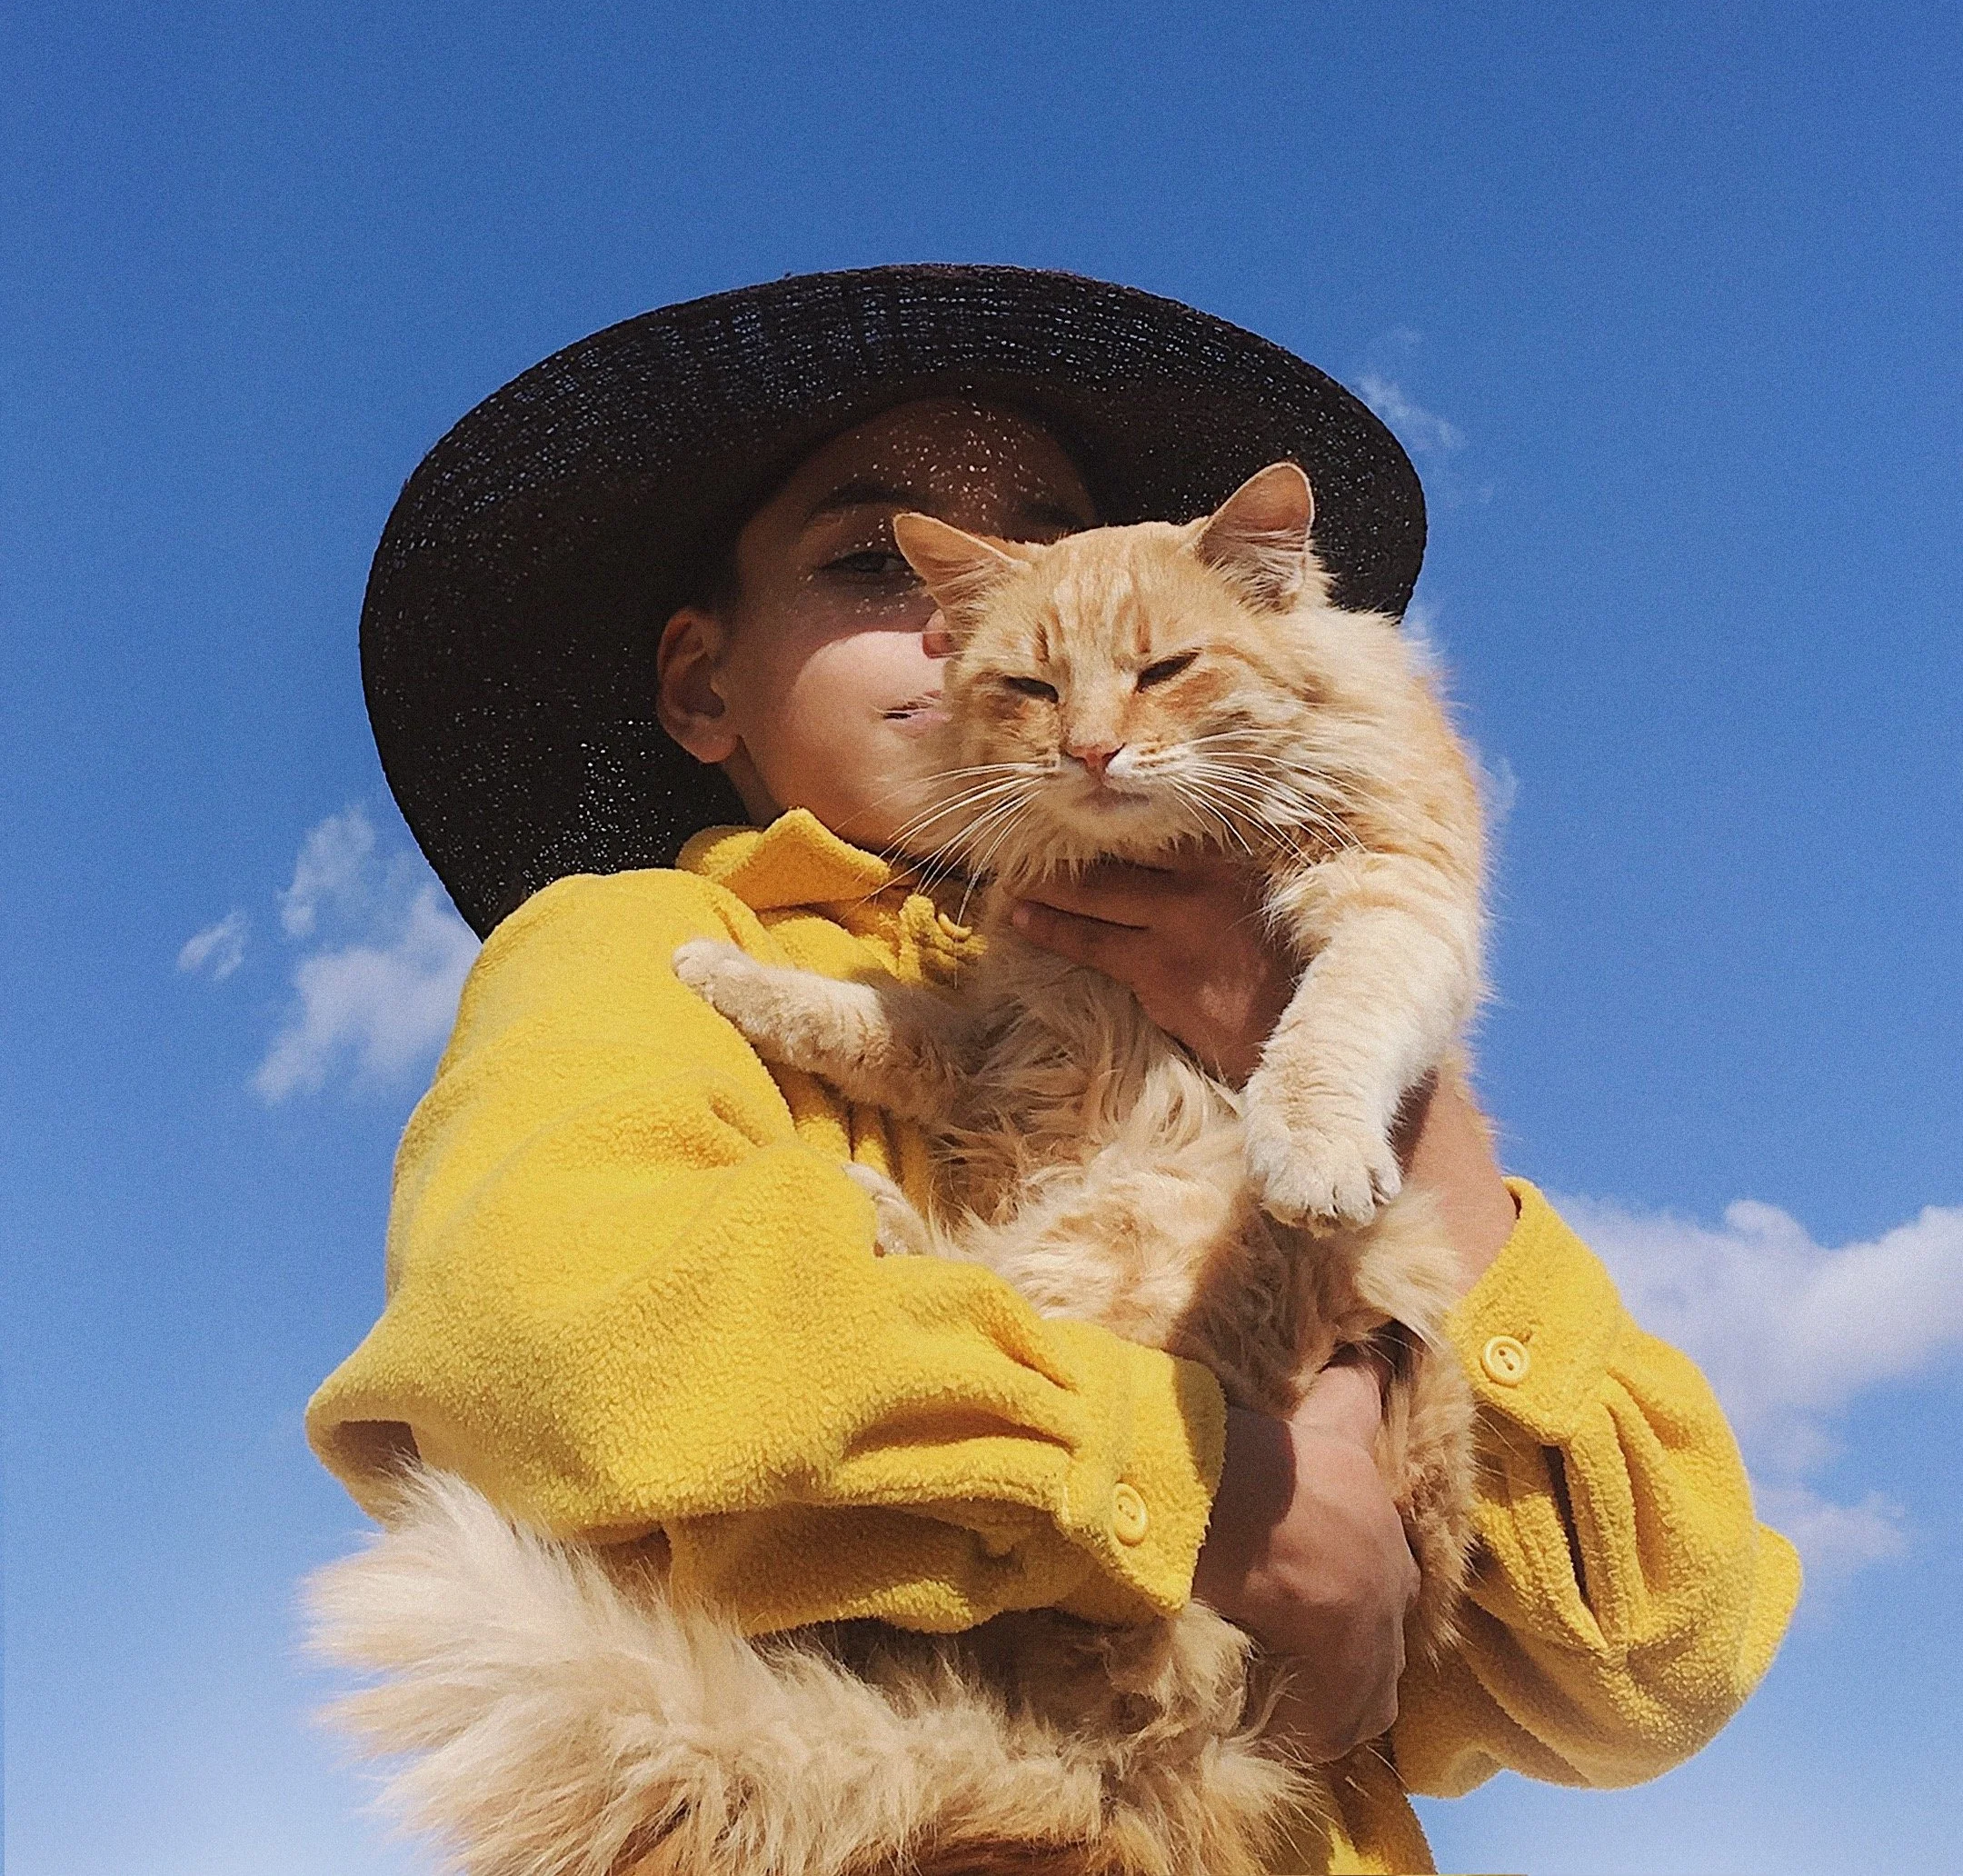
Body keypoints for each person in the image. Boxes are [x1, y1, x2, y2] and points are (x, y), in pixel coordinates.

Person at [310, 266, 1799, 1874]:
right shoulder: (638, 944)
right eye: (878, 562)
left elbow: (1656, 1669)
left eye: (1068, 552)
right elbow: (557, 1345)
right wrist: (1215, 1493)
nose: (984, 630)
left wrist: (1347, 1059)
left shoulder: (1270, 991)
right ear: (699, 682)